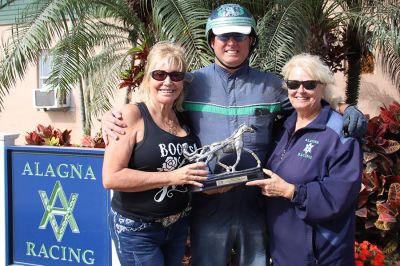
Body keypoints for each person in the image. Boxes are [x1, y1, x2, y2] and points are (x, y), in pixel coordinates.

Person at [101, 4, 366, 265]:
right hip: (208, 208)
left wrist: (345, 106)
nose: (231, 43)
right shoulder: (190, 84)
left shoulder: (272, 86)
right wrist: (113, 117)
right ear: (211, 41)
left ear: (251, 40)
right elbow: (155, 101)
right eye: (223, 36)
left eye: (239, 36)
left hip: (257, 206)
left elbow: (308, 97)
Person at [247, 53, 362, 266]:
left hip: (321, 256)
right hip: (283, 252)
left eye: (309, 84)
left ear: (322, 87)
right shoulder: (283, 127)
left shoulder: (339, 133)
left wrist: (290, 191)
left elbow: (339, 196)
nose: (300, 91)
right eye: (293, 83)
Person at [102, 41, 208, 266]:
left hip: (177, 227)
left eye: (176, 75)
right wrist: (173, 177)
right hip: (138, 230)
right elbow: (111, 177)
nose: (168, 82)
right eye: (159, 74)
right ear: (147, 78)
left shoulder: (182, 117)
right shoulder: (132, 115)